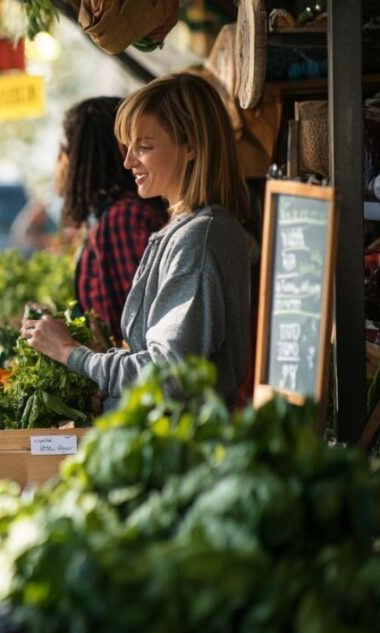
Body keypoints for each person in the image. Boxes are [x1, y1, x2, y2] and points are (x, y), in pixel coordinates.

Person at [24, 73, 252, 407]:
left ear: (191, 147)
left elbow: (169, 374)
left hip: (180, 449)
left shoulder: (198, 239)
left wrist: (71, 353)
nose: (128, 161)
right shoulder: (186, 229)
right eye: (128, 147)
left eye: (144, 147)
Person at [58, 96, 168, 344]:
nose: (61, 162)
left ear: (82, 156)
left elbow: (140, 327)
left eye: (66, 149)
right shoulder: (116, 215)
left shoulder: (124, 219)